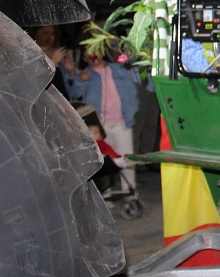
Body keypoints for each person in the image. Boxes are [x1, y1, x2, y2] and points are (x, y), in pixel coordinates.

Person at [68, 48, 141, 194]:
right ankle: (104, 193)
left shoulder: (118, 69)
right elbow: (74, 94)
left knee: (126, 158)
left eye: (96, 51)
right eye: (88, 53)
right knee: (102, 161)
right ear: (84, 57)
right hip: (100, 126)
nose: (93, 55)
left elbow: (134, 79)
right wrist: (81, 81)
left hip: (122, 121)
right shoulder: (85, 74)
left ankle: (130, 192)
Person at [31, 24, 75, 97]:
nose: (49, 37)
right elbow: (35, 84)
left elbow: (70, 89)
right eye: (45, 33)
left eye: (52, 34)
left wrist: (71, 72)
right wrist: (52, 63)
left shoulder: (58, 54)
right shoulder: (31, 56)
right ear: (35, 33)